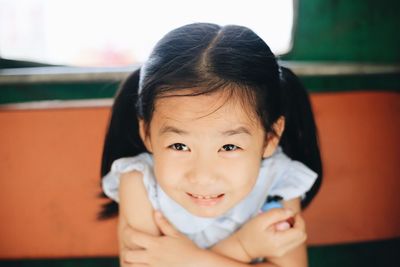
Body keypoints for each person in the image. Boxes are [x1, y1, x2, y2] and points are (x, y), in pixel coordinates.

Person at [99, 23, 322, 266]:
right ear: (147, 133)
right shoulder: (139, 183)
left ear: (270, 138)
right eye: (179, 146)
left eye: (229, 147)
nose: (203, 177)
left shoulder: (278, 180)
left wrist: (187, 260)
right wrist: (243, 248)